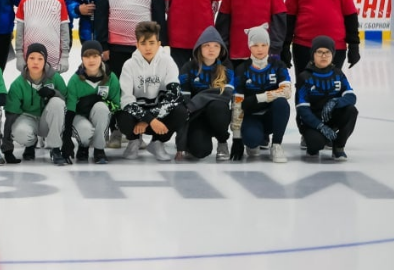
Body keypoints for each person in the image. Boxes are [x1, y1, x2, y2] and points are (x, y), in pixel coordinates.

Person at [116, 21, 186, 162]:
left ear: (159, 44)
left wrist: (150, 120)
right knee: (121, 115)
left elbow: (174, 96)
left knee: (180, 112)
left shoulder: (168, 62)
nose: (148, 47)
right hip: (137, 118)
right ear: (137, 45)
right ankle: (134, 140)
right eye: (143, 43)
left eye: (151, 42)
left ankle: (157, 142)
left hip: (159, 116)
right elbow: (126, 100)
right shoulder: (129, 65)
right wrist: (149, 119)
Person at [4, 43, 69, 166]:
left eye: (40, 59)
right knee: (20, 133)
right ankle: (30, 144)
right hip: (28, 118)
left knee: (57, 102)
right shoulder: (18, 84)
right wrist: (7, 148)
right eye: (32, 58)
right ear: (26, 60)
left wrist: (53, 93)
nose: (35, 62)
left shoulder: (55, 78)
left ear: (45, 61)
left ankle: (55, 149)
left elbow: (66, 102)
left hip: (48, 120)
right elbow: (10, 114)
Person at [295, 35, 359, 161]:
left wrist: (336, 101)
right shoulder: (305, 77)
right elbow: (302, 109)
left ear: (333, 54)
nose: (323, 56)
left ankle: (339, 147)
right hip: (312, 123)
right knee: (314, 147)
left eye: (327, 52)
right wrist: (320, 126)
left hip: (332, 118)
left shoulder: (338, 74)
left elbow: (351, 96)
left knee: (351, 110)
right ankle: (315, 139)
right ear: (313, 54)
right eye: (319, 52)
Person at [232, 26, 291, 163]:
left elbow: (286, 91)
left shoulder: (278, 65)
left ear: (269, 45)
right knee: (252, 141)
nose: (260, 49)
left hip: (271, 115)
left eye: (264, 45)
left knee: (282, 103)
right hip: (251, 116)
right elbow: (237, 103)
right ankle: (254, 138)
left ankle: (276, 145)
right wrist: (237, 137)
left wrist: (259, 97)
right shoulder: (242, 69)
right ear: (249, 46)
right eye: (255, 45)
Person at [177, 26, 234, 162]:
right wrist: (181, 144)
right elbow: (183, 100)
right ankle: (196, 138)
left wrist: (198, 99)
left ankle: (222, 142)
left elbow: (226, 94)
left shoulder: (227, 68)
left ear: (221, 49)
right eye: (207, 45)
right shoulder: (189, 67)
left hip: (217, 114)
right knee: (199, 151)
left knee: (218, 106)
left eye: (216, 46)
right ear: (199, 48)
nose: (211, 49)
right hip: (197, 117)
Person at [64, 40, 119, 164]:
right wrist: (66, 139)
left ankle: (99, 150)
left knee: (101, 107)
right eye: (87, 56)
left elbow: (116, 105)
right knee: (85, 130)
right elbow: (70, 110)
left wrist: (100, 101)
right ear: (82, 59)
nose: (91, 60)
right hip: (80, 117)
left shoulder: (111, 78)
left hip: (100, 116)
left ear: (101, 57)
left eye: (95, 56)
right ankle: (83, 146)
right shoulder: (75, 80)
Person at [13, 0, 71, 73]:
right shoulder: (24, 2)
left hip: (53, 57)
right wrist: (19, 55)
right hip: (30, 57)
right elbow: (20, 31)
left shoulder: (59, 1)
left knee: (52, 89)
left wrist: (65, 56)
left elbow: (64, 31)